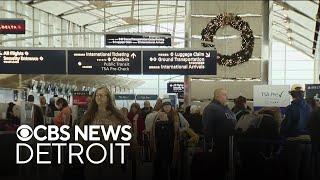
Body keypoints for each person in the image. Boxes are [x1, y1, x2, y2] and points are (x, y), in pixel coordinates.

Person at [80, 86, 133, 180]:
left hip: (112, 160)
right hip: (92, 159)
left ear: (108, 98)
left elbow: (128, 136)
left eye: (101, 95)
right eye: (97, 95)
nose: (98, 97)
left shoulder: (117, 116)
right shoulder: (88, 115)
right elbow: (80, 136)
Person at [202, 88, 236, 179]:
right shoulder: (211, 109)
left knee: (225, 170)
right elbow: (207, 128)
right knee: (217, 170)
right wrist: (210, 144)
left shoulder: (225, 108)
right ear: (217, 96)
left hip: (228, 146)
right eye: (224, 95)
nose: (227, 97)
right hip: (217, 147)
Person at [280, 84, 312, 180]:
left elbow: (286, 127)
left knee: (293, 172)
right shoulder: (309, 108)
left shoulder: (290, 108)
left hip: (294, 143)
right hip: (308, 143)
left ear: (292, 94)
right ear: (302, 94)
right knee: (305, 172)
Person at [149, 98, 181, 180]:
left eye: (168, 106)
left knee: (171, 163)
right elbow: (153, 129)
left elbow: (184, 126)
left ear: (171, 107)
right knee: (162, 163)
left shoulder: (175, 115)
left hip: (172, 143)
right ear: (163, 107)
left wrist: (179, 130)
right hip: (160, 144)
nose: (167, 108)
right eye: (165, 106)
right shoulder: (157, 116)